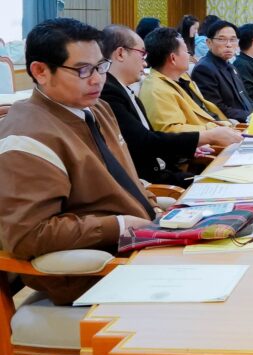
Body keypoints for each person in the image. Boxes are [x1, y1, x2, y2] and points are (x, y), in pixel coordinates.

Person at [0, 18, 156, 305]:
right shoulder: (27, 136)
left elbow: (124, 179)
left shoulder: (97, 108)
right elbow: (27, 235)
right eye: (83, 70)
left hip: (141, 245)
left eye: (100, 67)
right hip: (95, 272)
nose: (97, 80)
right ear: (40, 71)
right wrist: (118, 225)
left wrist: (153, 207)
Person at [100, 25, 241, 185]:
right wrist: (207, 136)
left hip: (167, 168)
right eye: (141, 53)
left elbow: (148, 139)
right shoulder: (111, 93)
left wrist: (190, 145)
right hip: (154, 181)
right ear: (120, 53)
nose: (145, 62)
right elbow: (146, 141)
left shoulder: (126, 90)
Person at [140, 27, 234, 132]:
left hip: (220, 128)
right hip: (207, 138)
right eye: (186, 51)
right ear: (173, 58)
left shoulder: (182, 77)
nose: (189, 56)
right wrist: (214, 129)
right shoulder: (156, 90)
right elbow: (171, 130)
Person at [191, 20, 253, 123]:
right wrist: (251, 117)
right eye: (222, 39)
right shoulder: (204, 69)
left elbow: (245, 97)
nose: (229, 45)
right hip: (235, 125)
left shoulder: (230, 65)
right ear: (209, 43)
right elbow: (217, 108)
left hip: (251, 119)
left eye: (233, 39)